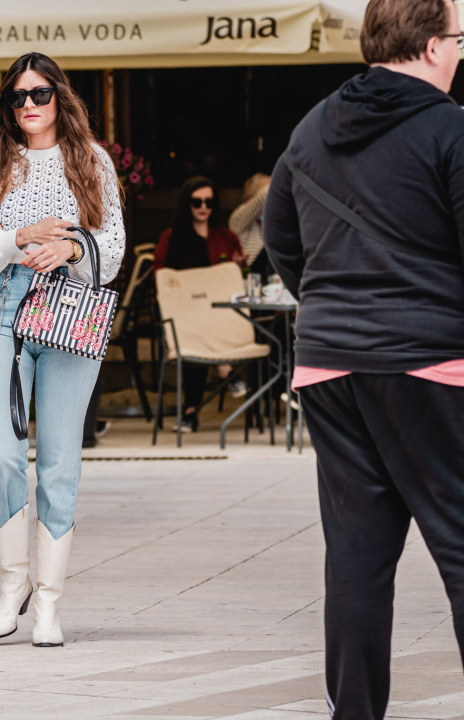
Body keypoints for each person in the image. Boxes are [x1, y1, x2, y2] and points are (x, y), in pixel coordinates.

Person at [263, 0, 464, 715]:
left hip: (328, 363)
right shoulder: (449, 128)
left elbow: (279, 236)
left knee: (355, 557)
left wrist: (334, 310)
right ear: (435, 47)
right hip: (429, 364)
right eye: (460, 38)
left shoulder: (310, 128)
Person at [0, 52, 125, 647]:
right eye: (17, 97)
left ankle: (49, 603)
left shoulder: (90, 160)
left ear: (61, 98)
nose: (28, 105)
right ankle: (12, 584)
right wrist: (17, 237)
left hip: (69, 312)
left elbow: (115, 245)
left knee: (58, 461)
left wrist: (73, 250)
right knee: (0, 451)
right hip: (1, 305)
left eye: (40, 94)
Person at [153, 177, 246, 432]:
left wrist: (237, 267)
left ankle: (190, 412)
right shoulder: (172, 237)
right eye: (197, 202)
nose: (203, 206)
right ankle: (226, 369)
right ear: (187, 204)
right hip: (185, 313)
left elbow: (240, 279)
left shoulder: (226, 237)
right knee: (195, 329)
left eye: (209, 201)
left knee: (206, 325)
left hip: (220, 313)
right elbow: (161, 275)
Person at [229, 173, 272, 277]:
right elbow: (264, 195)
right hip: (249, 278)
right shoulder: (239, 218)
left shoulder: (272, 223)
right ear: (250, 200)